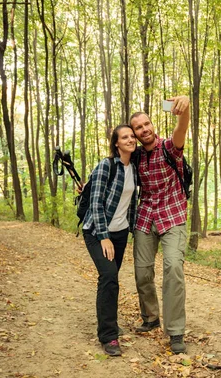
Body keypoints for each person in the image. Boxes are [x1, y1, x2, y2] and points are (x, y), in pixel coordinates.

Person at [129, 95, 190, 354]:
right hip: (145, 217)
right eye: (138, 128)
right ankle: (151, 317)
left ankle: (175, 331)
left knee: (173, 266)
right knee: (142, 271)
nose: (144, 130)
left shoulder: (169, 147)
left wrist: (184, 108)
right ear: (134, 134)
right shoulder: (135, 157)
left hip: (173, 215)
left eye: (146, 124)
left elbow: (182, 128)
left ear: (152, 124)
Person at [81, 124, 138, 357]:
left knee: (112, 280)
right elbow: (95, 204)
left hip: (121, 233)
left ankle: (110, 324)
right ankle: (108, 336)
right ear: (116, 143)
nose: (130, 140)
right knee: (108, 276)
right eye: (125, 137)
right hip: (97, 232)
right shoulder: (106, 165)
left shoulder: (134, 168)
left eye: (132, 136)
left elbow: (131, 203)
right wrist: (104, 237)